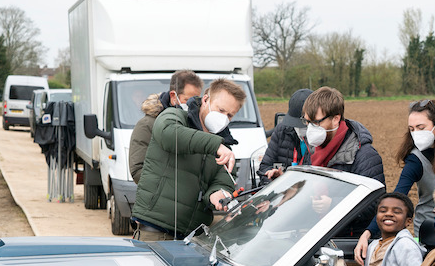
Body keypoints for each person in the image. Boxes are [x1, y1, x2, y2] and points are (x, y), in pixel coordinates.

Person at [354, 99, 435, 266]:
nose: (416, 133)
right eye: (412, 129)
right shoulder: (415, 160)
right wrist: (368, 233)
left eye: (421, 128)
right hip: (433, 231)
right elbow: (397, 196)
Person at [131, 78, 245, 241]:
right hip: (155, 231)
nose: (224, 118)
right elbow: (168, 134)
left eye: (229, 115)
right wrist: (214, 145)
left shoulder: (224, 144)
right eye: (221, 110)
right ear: (205, 100)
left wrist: (218, 192)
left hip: (194, 238)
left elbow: (223, 179)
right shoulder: (174, 116)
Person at [267, 86, 384, 236]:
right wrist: (284, 182)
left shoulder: (363, 155)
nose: (310, 129)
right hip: (318, 233)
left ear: (335, 119)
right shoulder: (313, 150)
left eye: (316, 122)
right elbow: (305, 186)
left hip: (348, 238)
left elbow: (375, 203)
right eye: (307, 122)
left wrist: (333, 204)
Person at [129, 70, 203, 183]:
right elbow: (138, 171)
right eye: (187, 100)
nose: (192, 106)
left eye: (196, 101)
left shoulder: (196, 124)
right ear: (173, 97)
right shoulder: (147, 125)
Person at [363, 192, 425, 266]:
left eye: (396, 212)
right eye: (383, 211)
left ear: (408, 221)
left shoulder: (406, 245)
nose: (388, 214)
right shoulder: (374, 245)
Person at [259, 88, 312, 179]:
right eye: (296, 124)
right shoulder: (281, 131)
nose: (299, 128)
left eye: (305, 123)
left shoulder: (323, 138)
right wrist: (274, 178)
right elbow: (264, 167)